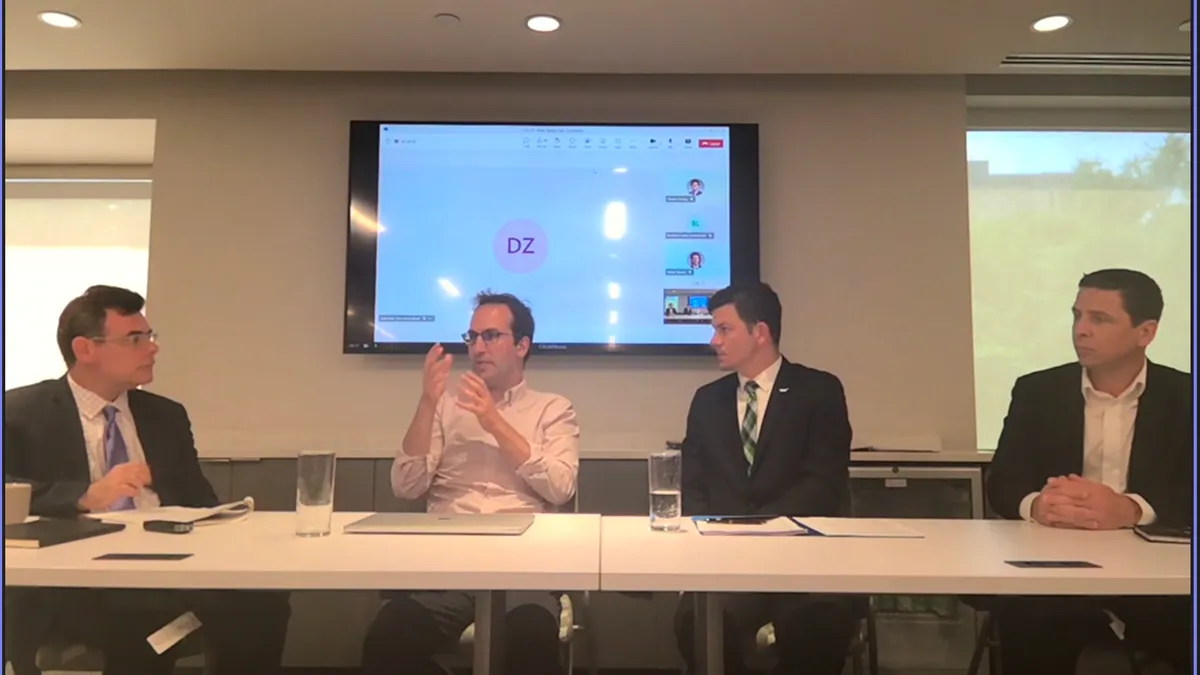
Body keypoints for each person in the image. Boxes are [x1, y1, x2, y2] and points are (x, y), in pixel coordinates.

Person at [2, 285, 291, 675]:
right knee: (139, 624)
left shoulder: (165, 416)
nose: (152, 348)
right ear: (85, 349)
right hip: (76, 586)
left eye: (150, 337)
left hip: (172, 570)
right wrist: (84, 496)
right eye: (135, 339)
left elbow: (200, 502)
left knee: (262, 602)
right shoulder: (20, 412)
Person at [361, 291, 579, 675]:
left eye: (491, 336)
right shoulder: (445, 407)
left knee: (529, 640)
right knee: (388, 635)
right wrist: (428, 401)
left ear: (523, 345)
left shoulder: (553, 408)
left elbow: (561, 487)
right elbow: (406, 486)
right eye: (472, 337)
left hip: (523, 569)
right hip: (447, 566)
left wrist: (493, 421)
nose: (478, 347)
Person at [986, 269, 1191, 675]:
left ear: (1145, 332)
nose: (1081, 330)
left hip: (1159, 573)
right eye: (1077, 316)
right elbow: (1003, 480)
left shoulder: (1186, 396)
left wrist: (1131, 509)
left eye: (1100, 319)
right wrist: (1038, 505)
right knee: (1028, 618)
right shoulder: (1037, 390)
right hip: (1056, 565)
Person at [673, 282, 863, 675]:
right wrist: (721, 536)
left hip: (804, 558)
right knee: (697, 623)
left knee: (819, 624)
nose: (714, 340)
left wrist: (759, 529)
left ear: (760, 332)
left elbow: (823, 483)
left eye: (724, 329)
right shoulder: (707, 400)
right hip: (725, 561)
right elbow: (691, 484)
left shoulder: (819, 391)